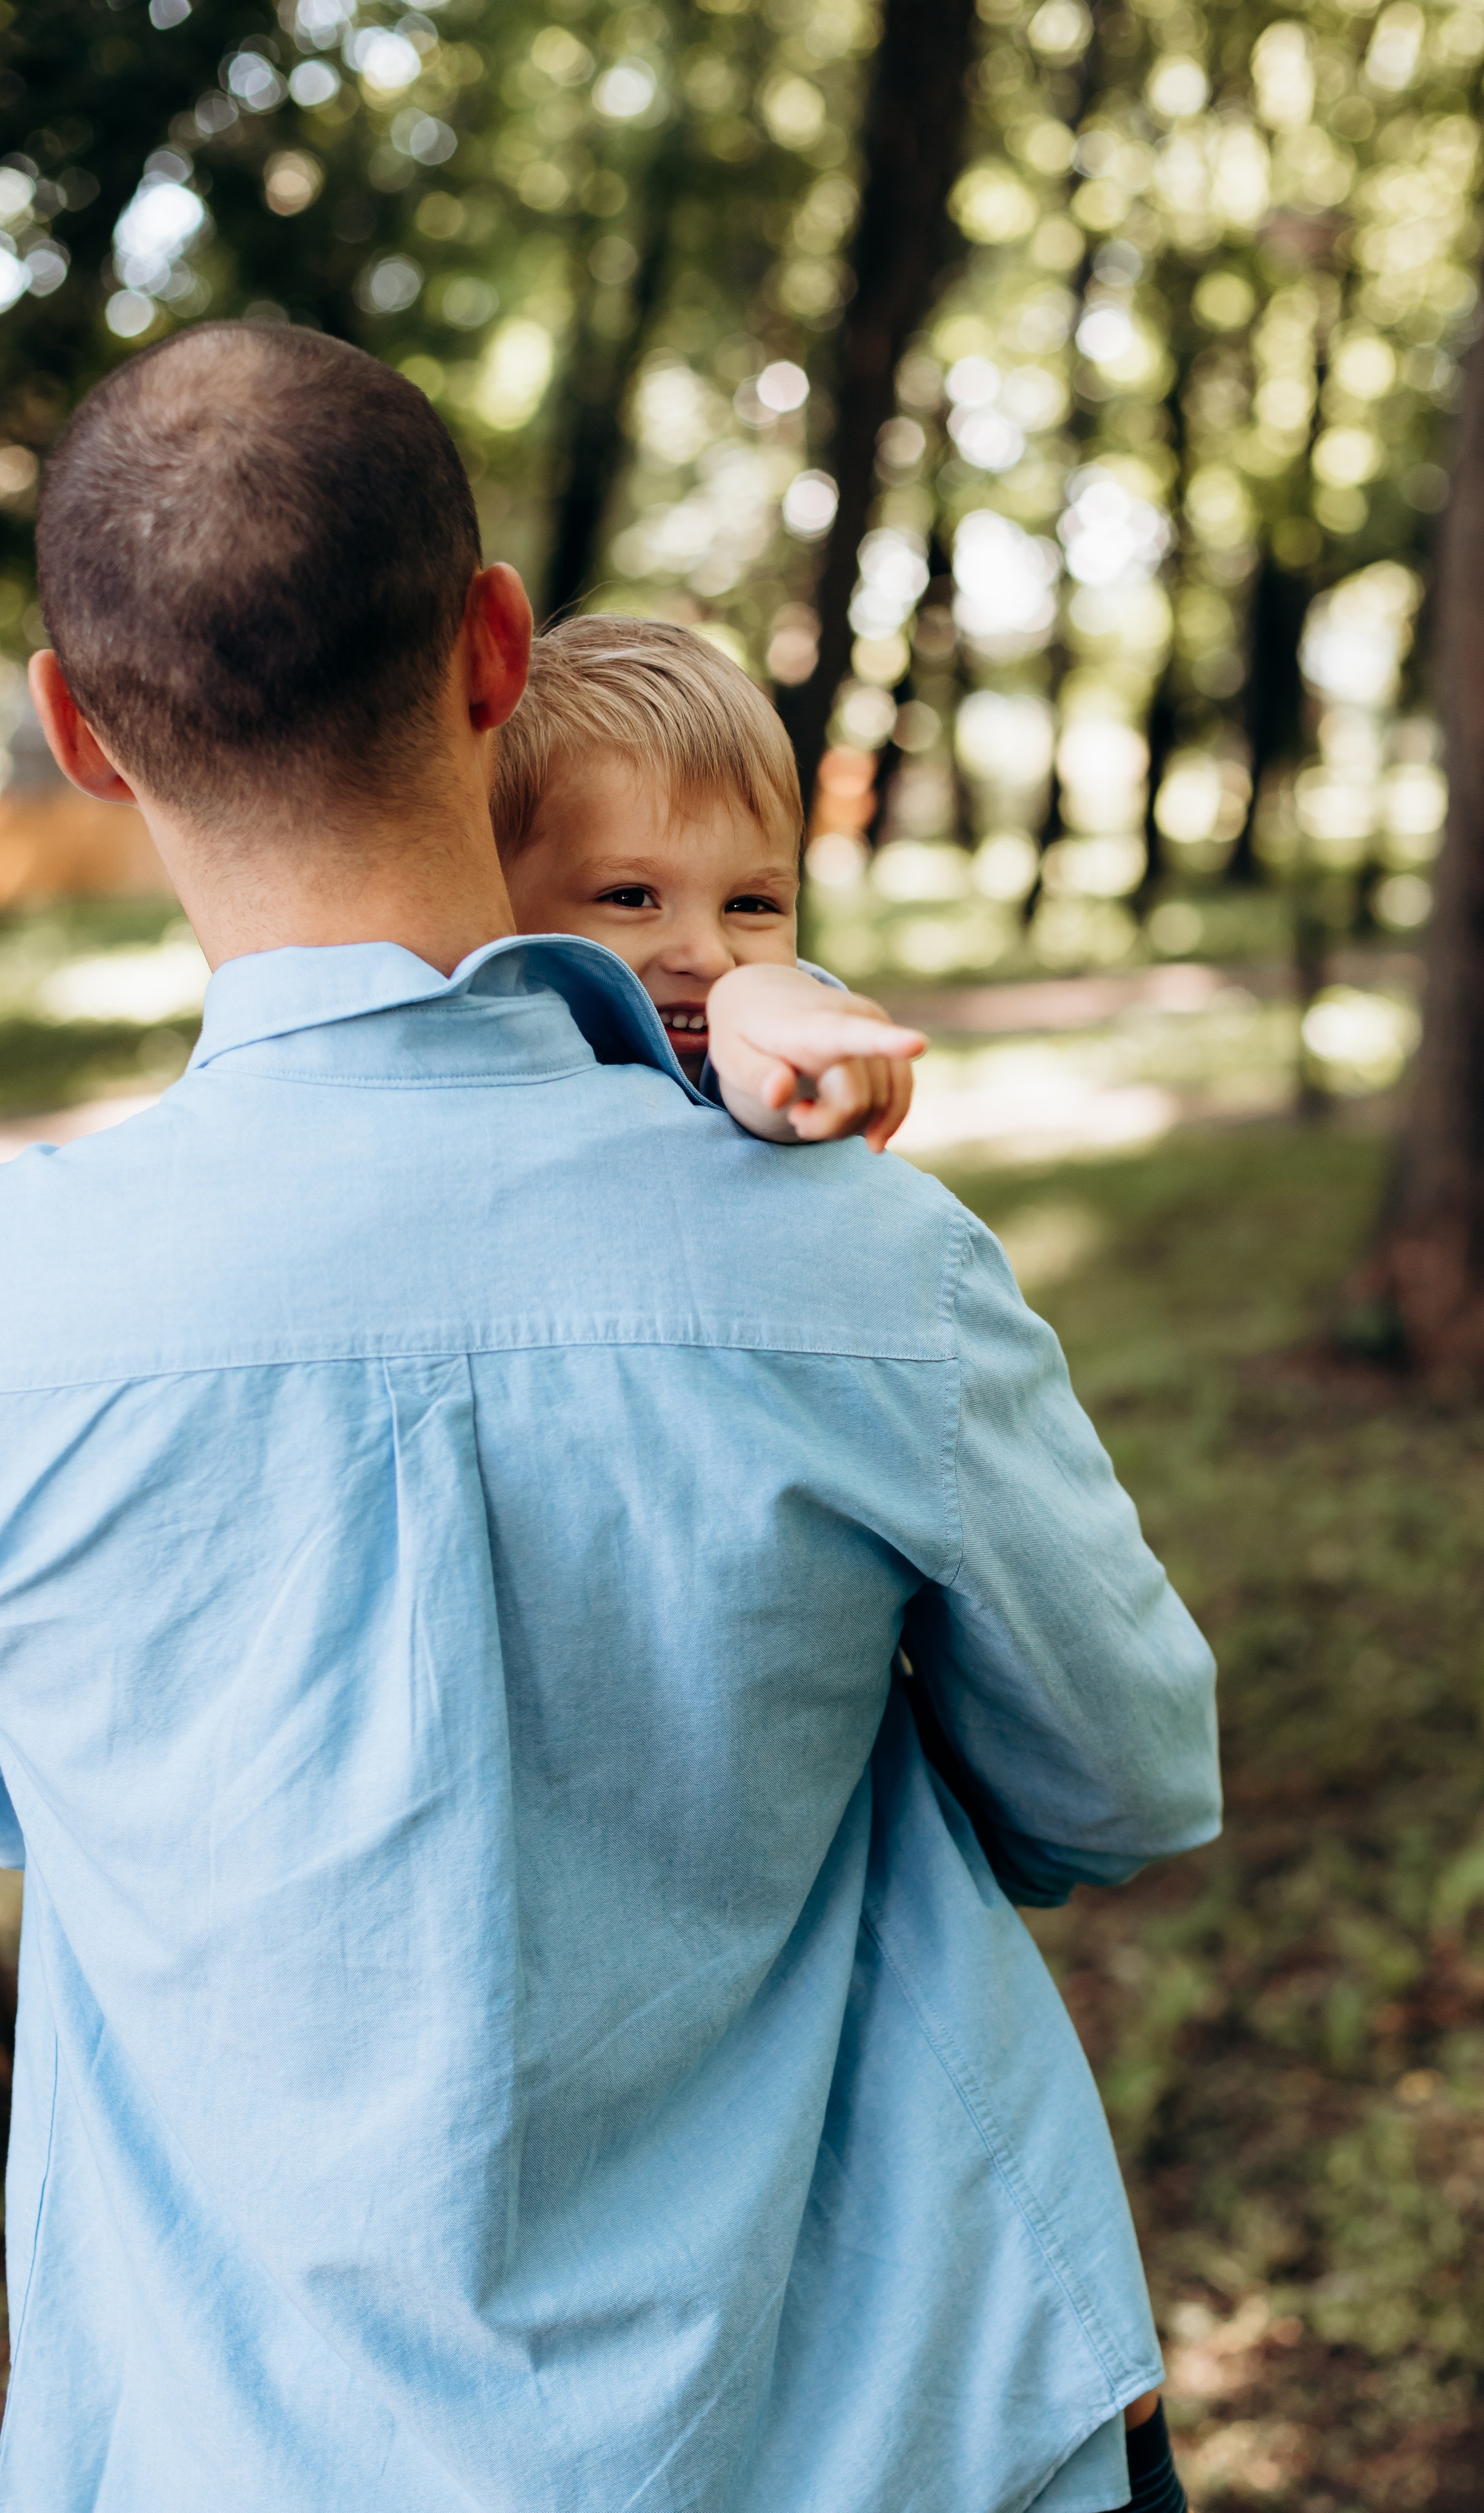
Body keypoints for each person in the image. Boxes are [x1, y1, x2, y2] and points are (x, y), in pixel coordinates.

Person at [1, 322, 1218, 2512]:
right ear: (495, 652)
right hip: (901, 2434)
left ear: (79, 728)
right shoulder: (862, 1256)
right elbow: (1125, 1784)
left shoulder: (27, 1312)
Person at [492, 613, 927, 1153]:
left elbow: (763, 1086)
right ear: (497, 901)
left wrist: (796, 1063)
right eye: (631, 898)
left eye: (751, 904)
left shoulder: (758, 1015)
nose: (709, 957)